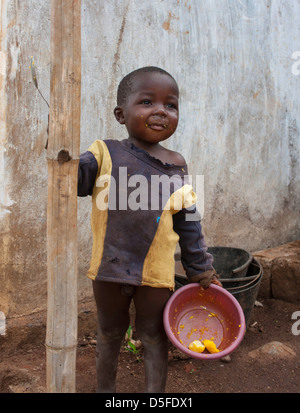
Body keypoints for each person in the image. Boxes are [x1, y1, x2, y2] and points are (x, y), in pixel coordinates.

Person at [78, 66, 221, 393]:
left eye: (171, 105)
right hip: (109, 267)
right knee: (110, 332)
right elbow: (76, 180)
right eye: (146, 102)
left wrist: (201, 269)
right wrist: (64, 160)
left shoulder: (176, 163)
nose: (161, 111)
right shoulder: (105, 152)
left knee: (154, 334)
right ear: (120, 113)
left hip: (156, 272)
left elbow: (189, 222)